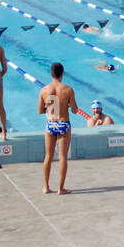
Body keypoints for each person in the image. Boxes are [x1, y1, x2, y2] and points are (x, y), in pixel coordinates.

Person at [37, 62, 76, 194]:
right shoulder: (68, 90)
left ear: (51, 74)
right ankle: (61, 189)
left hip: (51, 124)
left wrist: (51, 107)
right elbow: (75, 110)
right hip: (63, 124)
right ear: (62, 74)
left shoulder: (44, 90)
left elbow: (40, 110)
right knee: (62, 157)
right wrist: (66, 106)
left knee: (48, 156)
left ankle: (46, 187)